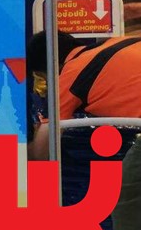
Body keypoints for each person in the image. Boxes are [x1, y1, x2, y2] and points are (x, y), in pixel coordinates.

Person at [26, 30, 141, 160]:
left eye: (43, 78)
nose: (47, 85)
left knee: (130, 172)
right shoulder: (119, 41)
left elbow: (41, 152)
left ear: (51, 67)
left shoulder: (70, 76)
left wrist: (20, 151)